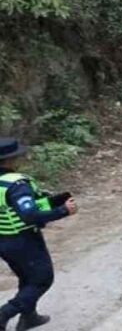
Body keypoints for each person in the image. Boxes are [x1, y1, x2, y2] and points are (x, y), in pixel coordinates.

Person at [0, 138, 78, 331]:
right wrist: (63, 211)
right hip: (23, 239)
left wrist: (51, 202)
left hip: (4, 240)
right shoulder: (16, 184)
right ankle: (5, 313)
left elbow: (12, 207)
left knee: (27, 278)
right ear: (10, 160)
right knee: (42, 278)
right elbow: (29, 215)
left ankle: (29, 316)